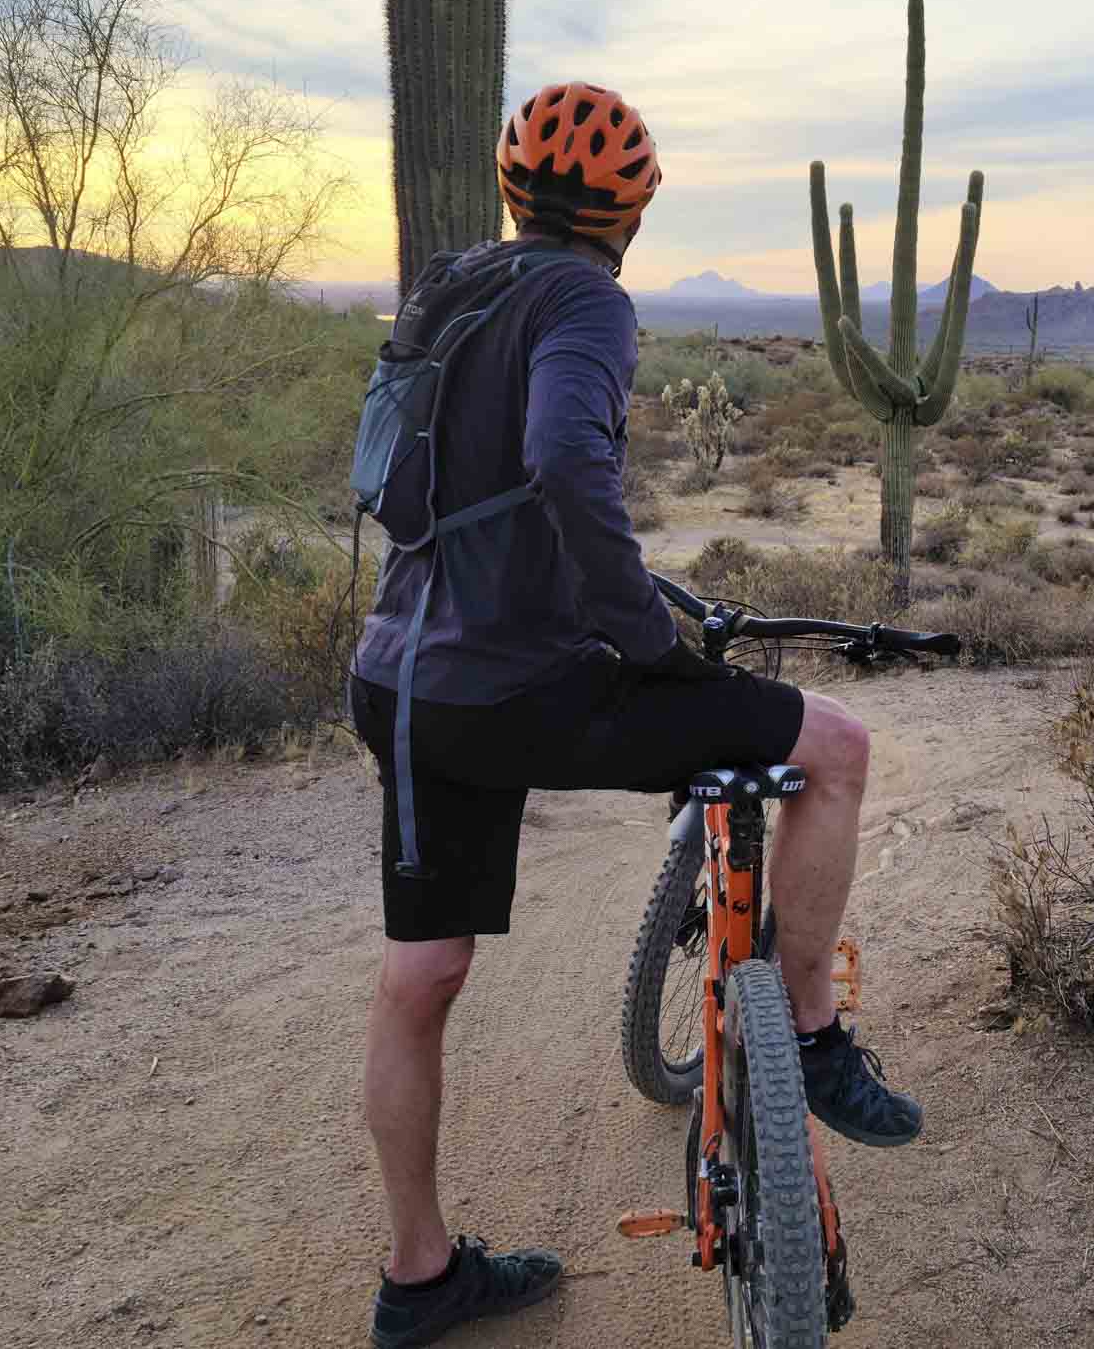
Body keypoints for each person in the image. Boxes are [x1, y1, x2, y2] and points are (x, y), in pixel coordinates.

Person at [350, 81, 922, 1348]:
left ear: (513, 192)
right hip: (521, 687)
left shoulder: (450, 289)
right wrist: (639, 634)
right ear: (631, 211)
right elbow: (562, 459)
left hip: (399, 682)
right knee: (835, 747)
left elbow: (446, 481)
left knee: (421, 975)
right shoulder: (585, 300)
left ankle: (419, 1275)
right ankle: (813, 1033)